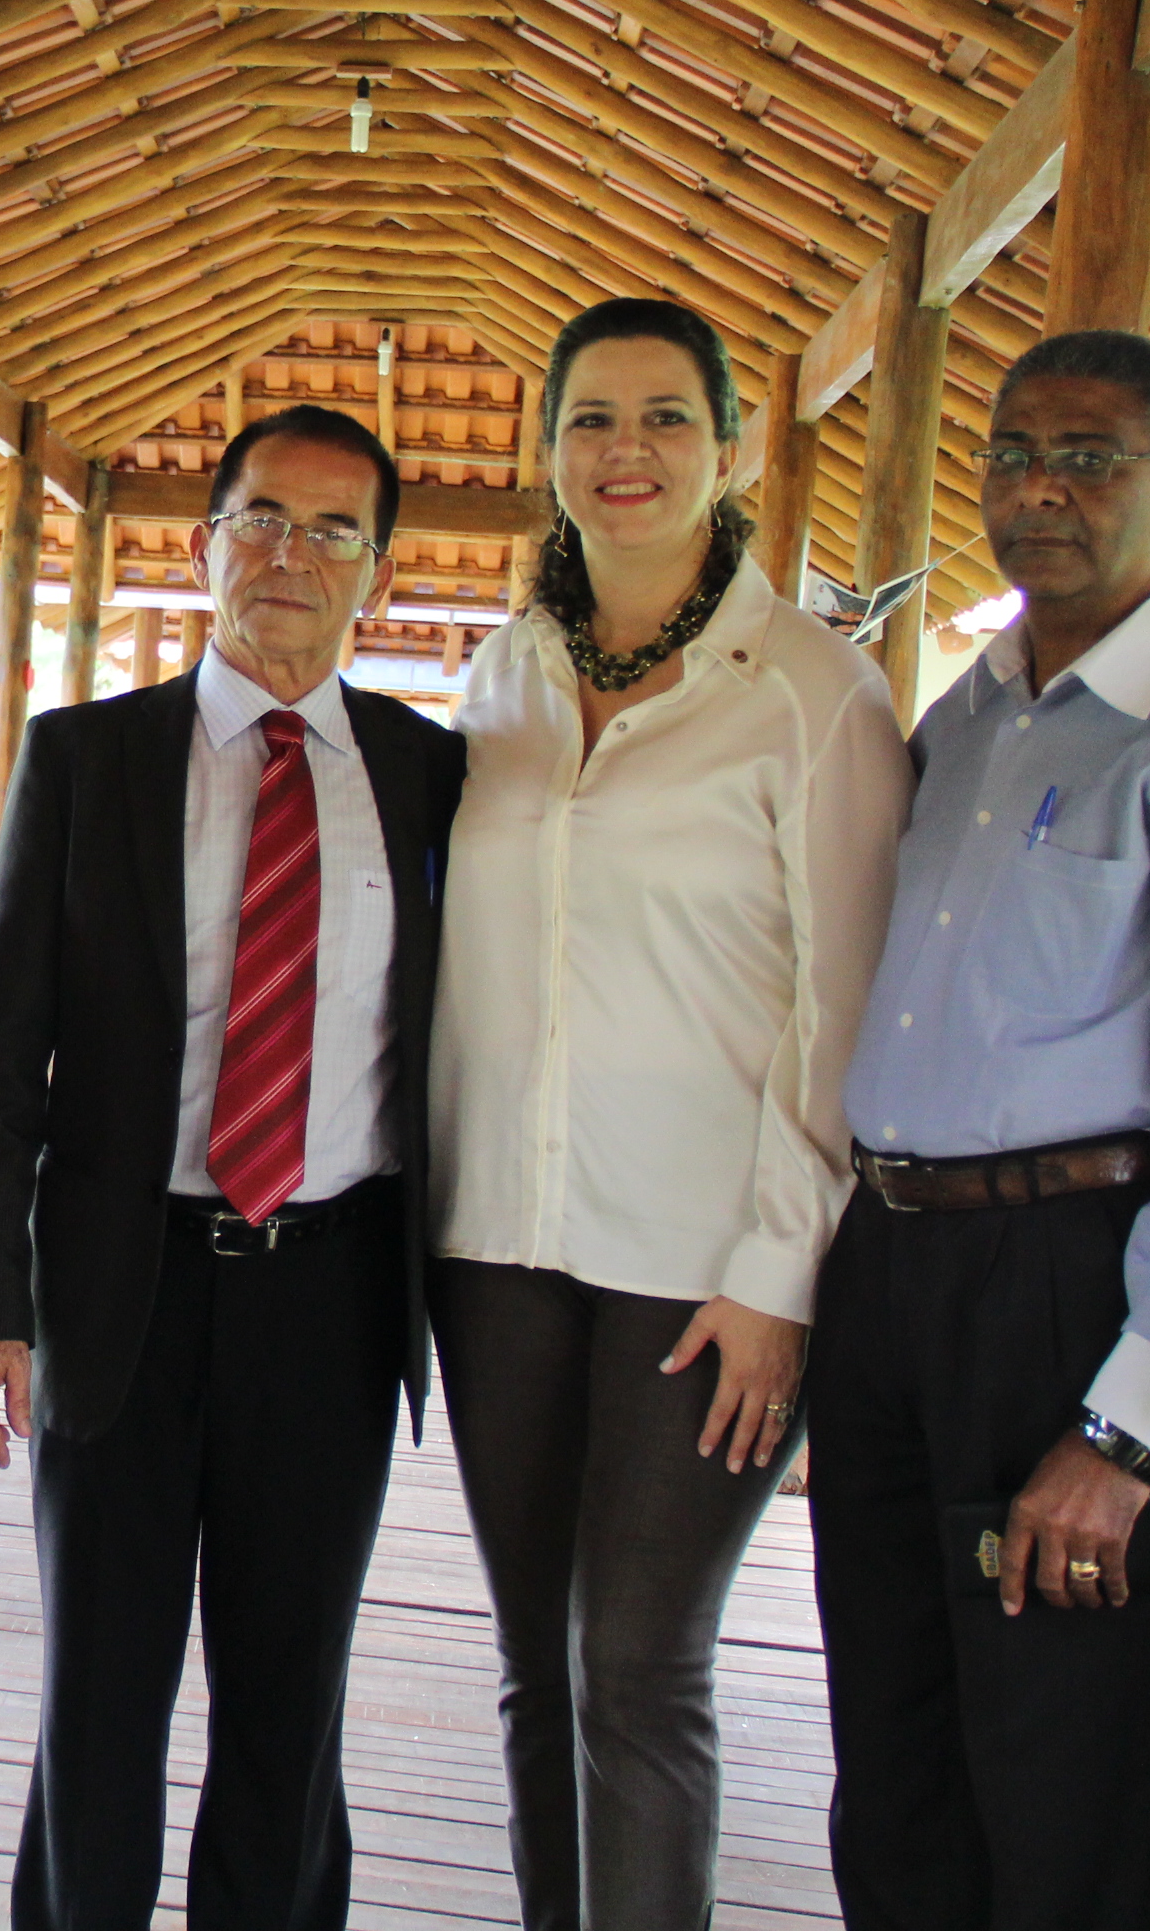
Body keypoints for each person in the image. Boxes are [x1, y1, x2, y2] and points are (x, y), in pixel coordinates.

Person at [810, 328, 1150, 1931]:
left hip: (1079, 1287)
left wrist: (1130, 1428)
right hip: (900, 1270)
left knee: (1061, 1787)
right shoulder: (971, 721)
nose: (1039, 489)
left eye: (1090, 459)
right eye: (1011, 454)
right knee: (896, 1763)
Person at [0, 401, 464, 1931]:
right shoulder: (89, 760)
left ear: (380, 571)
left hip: (335, 1290)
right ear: (204, 542)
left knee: (290, 1709)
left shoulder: (431, 779)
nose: (293, 555)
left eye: (334, 530)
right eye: (264, 520)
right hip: (123, 1286)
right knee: (98, 1695)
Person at [427, 299, 912, 1931]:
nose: (623, 453)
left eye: (662, 419)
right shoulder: (500, 679)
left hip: (702, 1269)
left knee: (638, 1671)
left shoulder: (813, 696)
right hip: (495, 1245)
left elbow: (845, 1011)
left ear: (728, 448)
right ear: (547, 450)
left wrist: (782, 1273)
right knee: (531, 1666)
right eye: (590, 421)